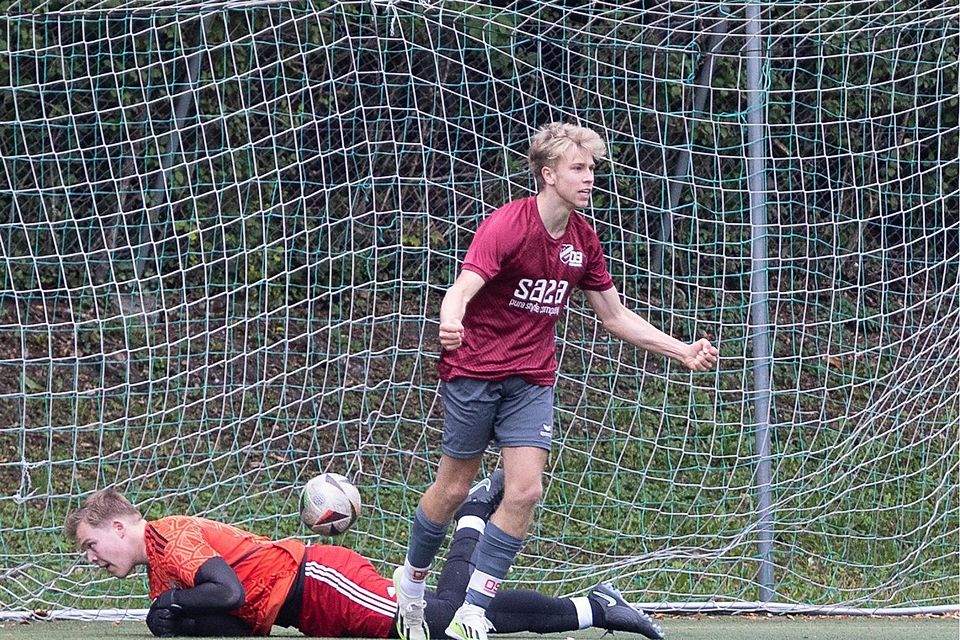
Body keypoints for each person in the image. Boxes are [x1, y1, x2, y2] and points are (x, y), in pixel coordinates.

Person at [395, 122, 719, 640]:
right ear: (548, 175)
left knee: (525, 490)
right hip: (474, 372)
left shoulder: (584, 240)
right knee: (453, 486)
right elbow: (462, 289)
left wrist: (681, 350)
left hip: (531, 379)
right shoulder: (508, 226)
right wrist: (450, 318)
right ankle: (410, 586)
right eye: (579, 168)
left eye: (592, 169)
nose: (590, 178)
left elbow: (614, 317)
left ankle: (475, 609)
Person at [64, 473, 664, 639]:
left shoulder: (173, 535)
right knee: (446, 621)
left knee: (446, 625)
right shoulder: (158, 573)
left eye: (91, 544)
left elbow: (229, 593)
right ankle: (477, 513)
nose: (91, 558)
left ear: (119, 525)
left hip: (319, 582)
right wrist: (170, 619)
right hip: (312, 608)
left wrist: (171, 608)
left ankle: (594, 607)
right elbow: (232, 627)